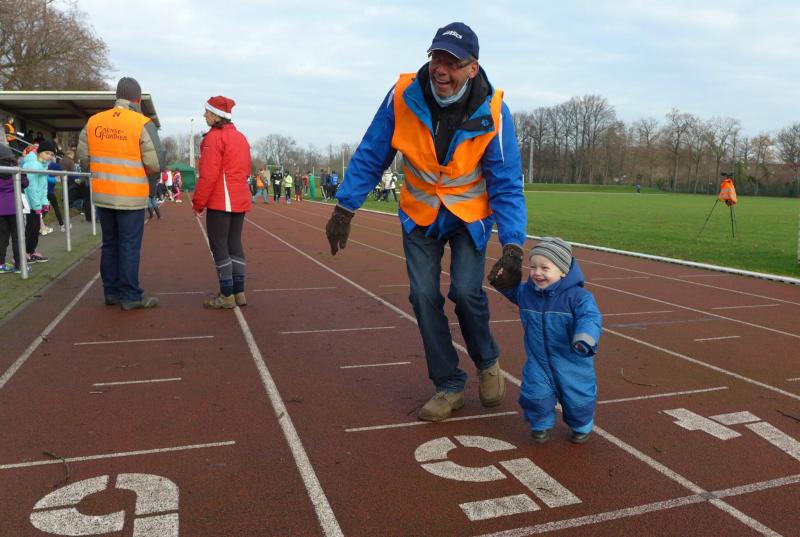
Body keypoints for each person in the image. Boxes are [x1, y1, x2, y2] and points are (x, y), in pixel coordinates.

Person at [325, 22, 527, 421]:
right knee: (422, 296)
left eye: (453, 63)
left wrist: (513, 244)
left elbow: (505, 182)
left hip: (469, 215)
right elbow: (372, 152)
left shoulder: (494, 110)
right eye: (437, 58)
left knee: (466, 292)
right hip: (420, 213)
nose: (441, 70)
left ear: (473, 68)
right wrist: (344, 208)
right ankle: (449, 384)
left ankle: (487, 361)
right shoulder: (402, 95)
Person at [491, 237, 602, 444]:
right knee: (535, 395)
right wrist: (502, 281)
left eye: (545, 268)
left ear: (563, 271)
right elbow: (513, 291)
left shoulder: (579, 297)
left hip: (572, 362)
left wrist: (584, 338)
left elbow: (590, 318)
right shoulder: (527, 292)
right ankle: (540, 424)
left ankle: (581, 425)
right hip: (538, 360)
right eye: (533, 267)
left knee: (578, 399)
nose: (537, 273)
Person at [77, 76, 165, 310]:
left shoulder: (94, 121)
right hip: (130, 196)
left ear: (117, 96)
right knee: (129, 245)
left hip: (103, 194)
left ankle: (111, 292)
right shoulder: (142, 123)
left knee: (109, 243)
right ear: (137, 99)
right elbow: (155, 163)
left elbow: (84, 158)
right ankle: (131, 295)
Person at [192, 95, 252, 309]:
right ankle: (239, 292)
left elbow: (208, 175)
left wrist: (198, 203)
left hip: (221, 199)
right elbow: (246, 169)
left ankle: (227, 294)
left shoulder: (213, 138)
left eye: (207, 112)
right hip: (240, 198)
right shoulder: (241, 137)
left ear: (216, 116)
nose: (204, 115)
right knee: (234, 242)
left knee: (219, 245)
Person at [22, 140, 56, 263]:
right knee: (30, 228)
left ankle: (31, 251)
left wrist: (45, 202)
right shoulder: (32, 165)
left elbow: (43, 187)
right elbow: (31, 188)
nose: (49, 156)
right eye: (47, 153)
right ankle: (24, 253)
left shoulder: (43, 165)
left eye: (51, 154)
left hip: (35, 202)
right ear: (40, 152)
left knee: (35, 228)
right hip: (28, 202)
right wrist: (36, 205)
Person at [0, 144, 24, 273]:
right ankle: (19, 265)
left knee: (2, 237)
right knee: (17, 237)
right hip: (15, 208)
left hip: (1, 209)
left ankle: (1, 264)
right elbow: (25, 183)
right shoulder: (15, 170)